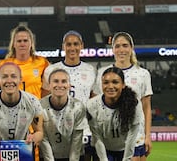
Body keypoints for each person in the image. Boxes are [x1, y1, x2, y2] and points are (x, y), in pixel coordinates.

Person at [93, 32, 153, 160]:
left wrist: (148, 136)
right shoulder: (102, 73)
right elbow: (95, 107)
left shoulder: (143, 74)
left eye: (125, 45)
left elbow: (146, 108)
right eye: (118, 46)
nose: (121, 50)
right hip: (109, 137)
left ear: (131, 48)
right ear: (113, 49)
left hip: (136, 136)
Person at [42, 30, 97, 160]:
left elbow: (94, 102)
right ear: (63, 46)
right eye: (69, 44)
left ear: (81, 46)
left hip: (83, 129)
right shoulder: (51, 70)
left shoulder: (90, 70)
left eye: (76, 44)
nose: (72, 48)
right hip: (57, 130)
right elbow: (44, 102)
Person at [0, 62, 44, 155]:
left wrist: (33, 138)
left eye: (13, 76)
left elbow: (39, 132)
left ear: (20, 79)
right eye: (4, 77)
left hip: (23, 150)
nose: (9, 80)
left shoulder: (33, 102)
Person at [87, 67, 144, 161]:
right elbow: (97, 136)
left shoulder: (134, 103)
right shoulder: (92, 105)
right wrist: (104, 159)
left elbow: (132, 134)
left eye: (115, 82)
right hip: (103, 148)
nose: (110, 86)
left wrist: (127, 159)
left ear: (123, 85)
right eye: (106, 82)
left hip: (126, 147)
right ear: (101, 85)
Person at [40, 69, 87, 161]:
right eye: (56, 81)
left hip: (74, 155)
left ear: (69, 86)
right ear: (49, 85)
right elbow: (43, 138)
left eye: (64, 81)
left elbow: (77, 139)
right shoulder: (40, 106)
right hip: (48, 156)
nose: (60, 85)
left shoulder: (78, 107)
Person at [0, 24, 50, 99]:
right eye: (19, 41)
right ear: (13, 44)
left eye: (25, 41)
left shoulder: (42, 63)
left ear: (31, 43)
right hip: (11, 109)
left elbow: (48, 89)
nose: (22, 44)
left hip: (35, 109)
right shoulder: (3, 65)